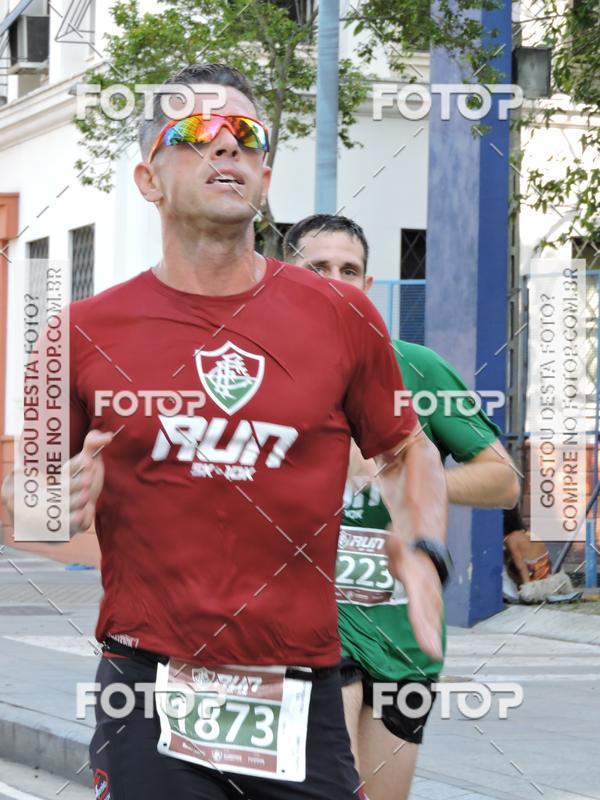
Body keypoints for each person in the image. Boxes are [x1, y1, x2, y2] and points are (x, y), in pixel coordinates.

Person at [2, 65, 449, 799]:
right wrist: (50, 500)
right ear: (148, 179)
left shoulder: (341, 315)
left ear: (265, 176)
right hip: (146, 685)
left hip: (300, 686)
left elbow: (405, 449)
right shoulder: (77, 334)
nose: (228, 149)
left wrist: (425, 548)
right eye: (199, 134)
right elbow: (18, 502)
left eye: (246, 136)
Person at [283, 213, 520, 800]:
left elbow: (503, 481)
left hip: (400, 635)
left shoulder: (415, 369)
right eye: (318, 269)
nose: (336, 281)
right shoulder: (259, 374)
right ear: (285, 280)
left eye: (350, 270)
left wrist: (418, 481)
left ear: (366, 285)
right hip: (305, 621)